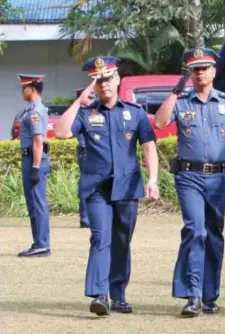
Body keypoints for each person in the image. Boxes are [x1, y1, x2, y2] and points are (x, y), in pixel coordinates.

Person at [54, 56, 160, 316]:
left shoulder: (135, 113)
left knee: (122, 241)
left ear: (117, 80)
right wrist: (78, 102)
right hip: (97, 189)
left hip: (126, 187)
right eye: (98, 81)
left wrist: (153, 180)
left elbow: (148, 147)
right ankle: (99, 294)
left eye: (108, 79)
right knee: (101, 237)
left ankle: (119, 295)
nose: (104, 85)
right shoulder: (86, 114)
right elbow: (61, 132)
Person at [153, 47, 225, 317]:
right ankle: (192, 294)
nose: (200, 73)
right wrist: (173, 93)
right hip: (190, 177)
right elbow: (160, 123)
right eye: (195, 69)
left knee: (214, 235)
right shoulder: (182, 101)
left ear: (214, 71)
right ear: (190, 73)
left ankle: (210, 295)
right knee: (195, 230)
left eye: (204, 68)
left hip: (220, 177)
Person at [15, 74, 51, 257]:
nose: (22, 91)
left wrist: (36, 167)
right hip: (30, 159)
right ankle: (38, 242)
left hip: (33, 160)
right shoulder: (31, 110)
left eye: (24, 88)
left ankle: (42, 244)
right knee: (33, 203)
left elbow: (38, 142)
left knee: (37, 203)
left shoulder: (35, 112)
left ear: (32, 88)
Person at [74, 85, 96, 229]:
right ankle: (85, 218)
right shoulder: (80, 114)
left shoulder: (95, 112)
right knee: (86, 186)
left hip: (93, 154)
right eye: (89, 97)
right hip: (86, 153)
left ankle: (90, 216)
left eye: (93, 97)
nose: (92, 100)